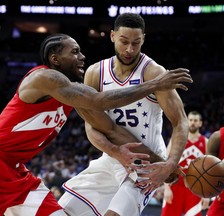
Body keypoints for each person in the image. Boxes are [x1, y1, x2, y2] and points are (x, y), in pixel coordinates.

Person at [0, 33, 192, 215]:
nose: (82, 57)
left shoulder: (72, 95)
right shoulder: (44, 78)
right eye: (74, 52)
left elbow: (110, 128)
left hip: (15, 172)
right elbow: (100, 100)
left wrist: (163, 164)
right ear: (55, 59)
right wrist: (155, 84)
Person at [58, 13, 189, 216]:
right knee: (62, 210)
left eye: (136, 43)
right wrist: (115, 151)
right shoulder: (95, 73)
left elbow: (180, 121)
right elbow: (91, 125)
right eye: (124, 42)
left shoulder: (153, 73)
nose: (130, 49)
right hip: (111, 159)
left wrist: (169, 164)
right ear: (112, 36)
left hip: (146, 165)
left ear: (143, 39)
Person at [161, 111, 210, 216]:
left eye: (195, 120)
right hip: (175, 184)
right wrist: (166, 188)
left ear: (200, 123)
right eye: (190, 120)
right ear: (187, 121)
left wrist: (206, 195)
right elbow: (166, 161)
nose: (192, 123)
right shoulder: (177, 138)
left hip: (195, 187)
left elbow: (209, 170)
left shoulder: (206, 142)